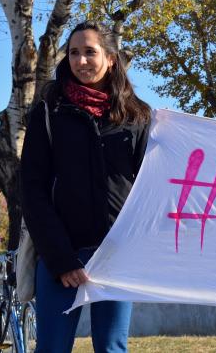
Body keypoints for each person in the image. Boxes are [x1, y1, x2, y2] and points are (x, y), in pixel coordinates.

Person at [21, 21, 151, 353]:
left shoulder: (138, 117)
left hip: (116, 256)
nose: (81, 61)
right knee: (51, 348)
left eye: (90, 52)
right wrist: (61, 259)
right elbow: (32, 190)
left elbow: (149, 189)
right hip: (60, 258)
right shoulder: (48, 112)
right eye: (74, 53)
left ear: (110, 58)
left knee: (111, 348)